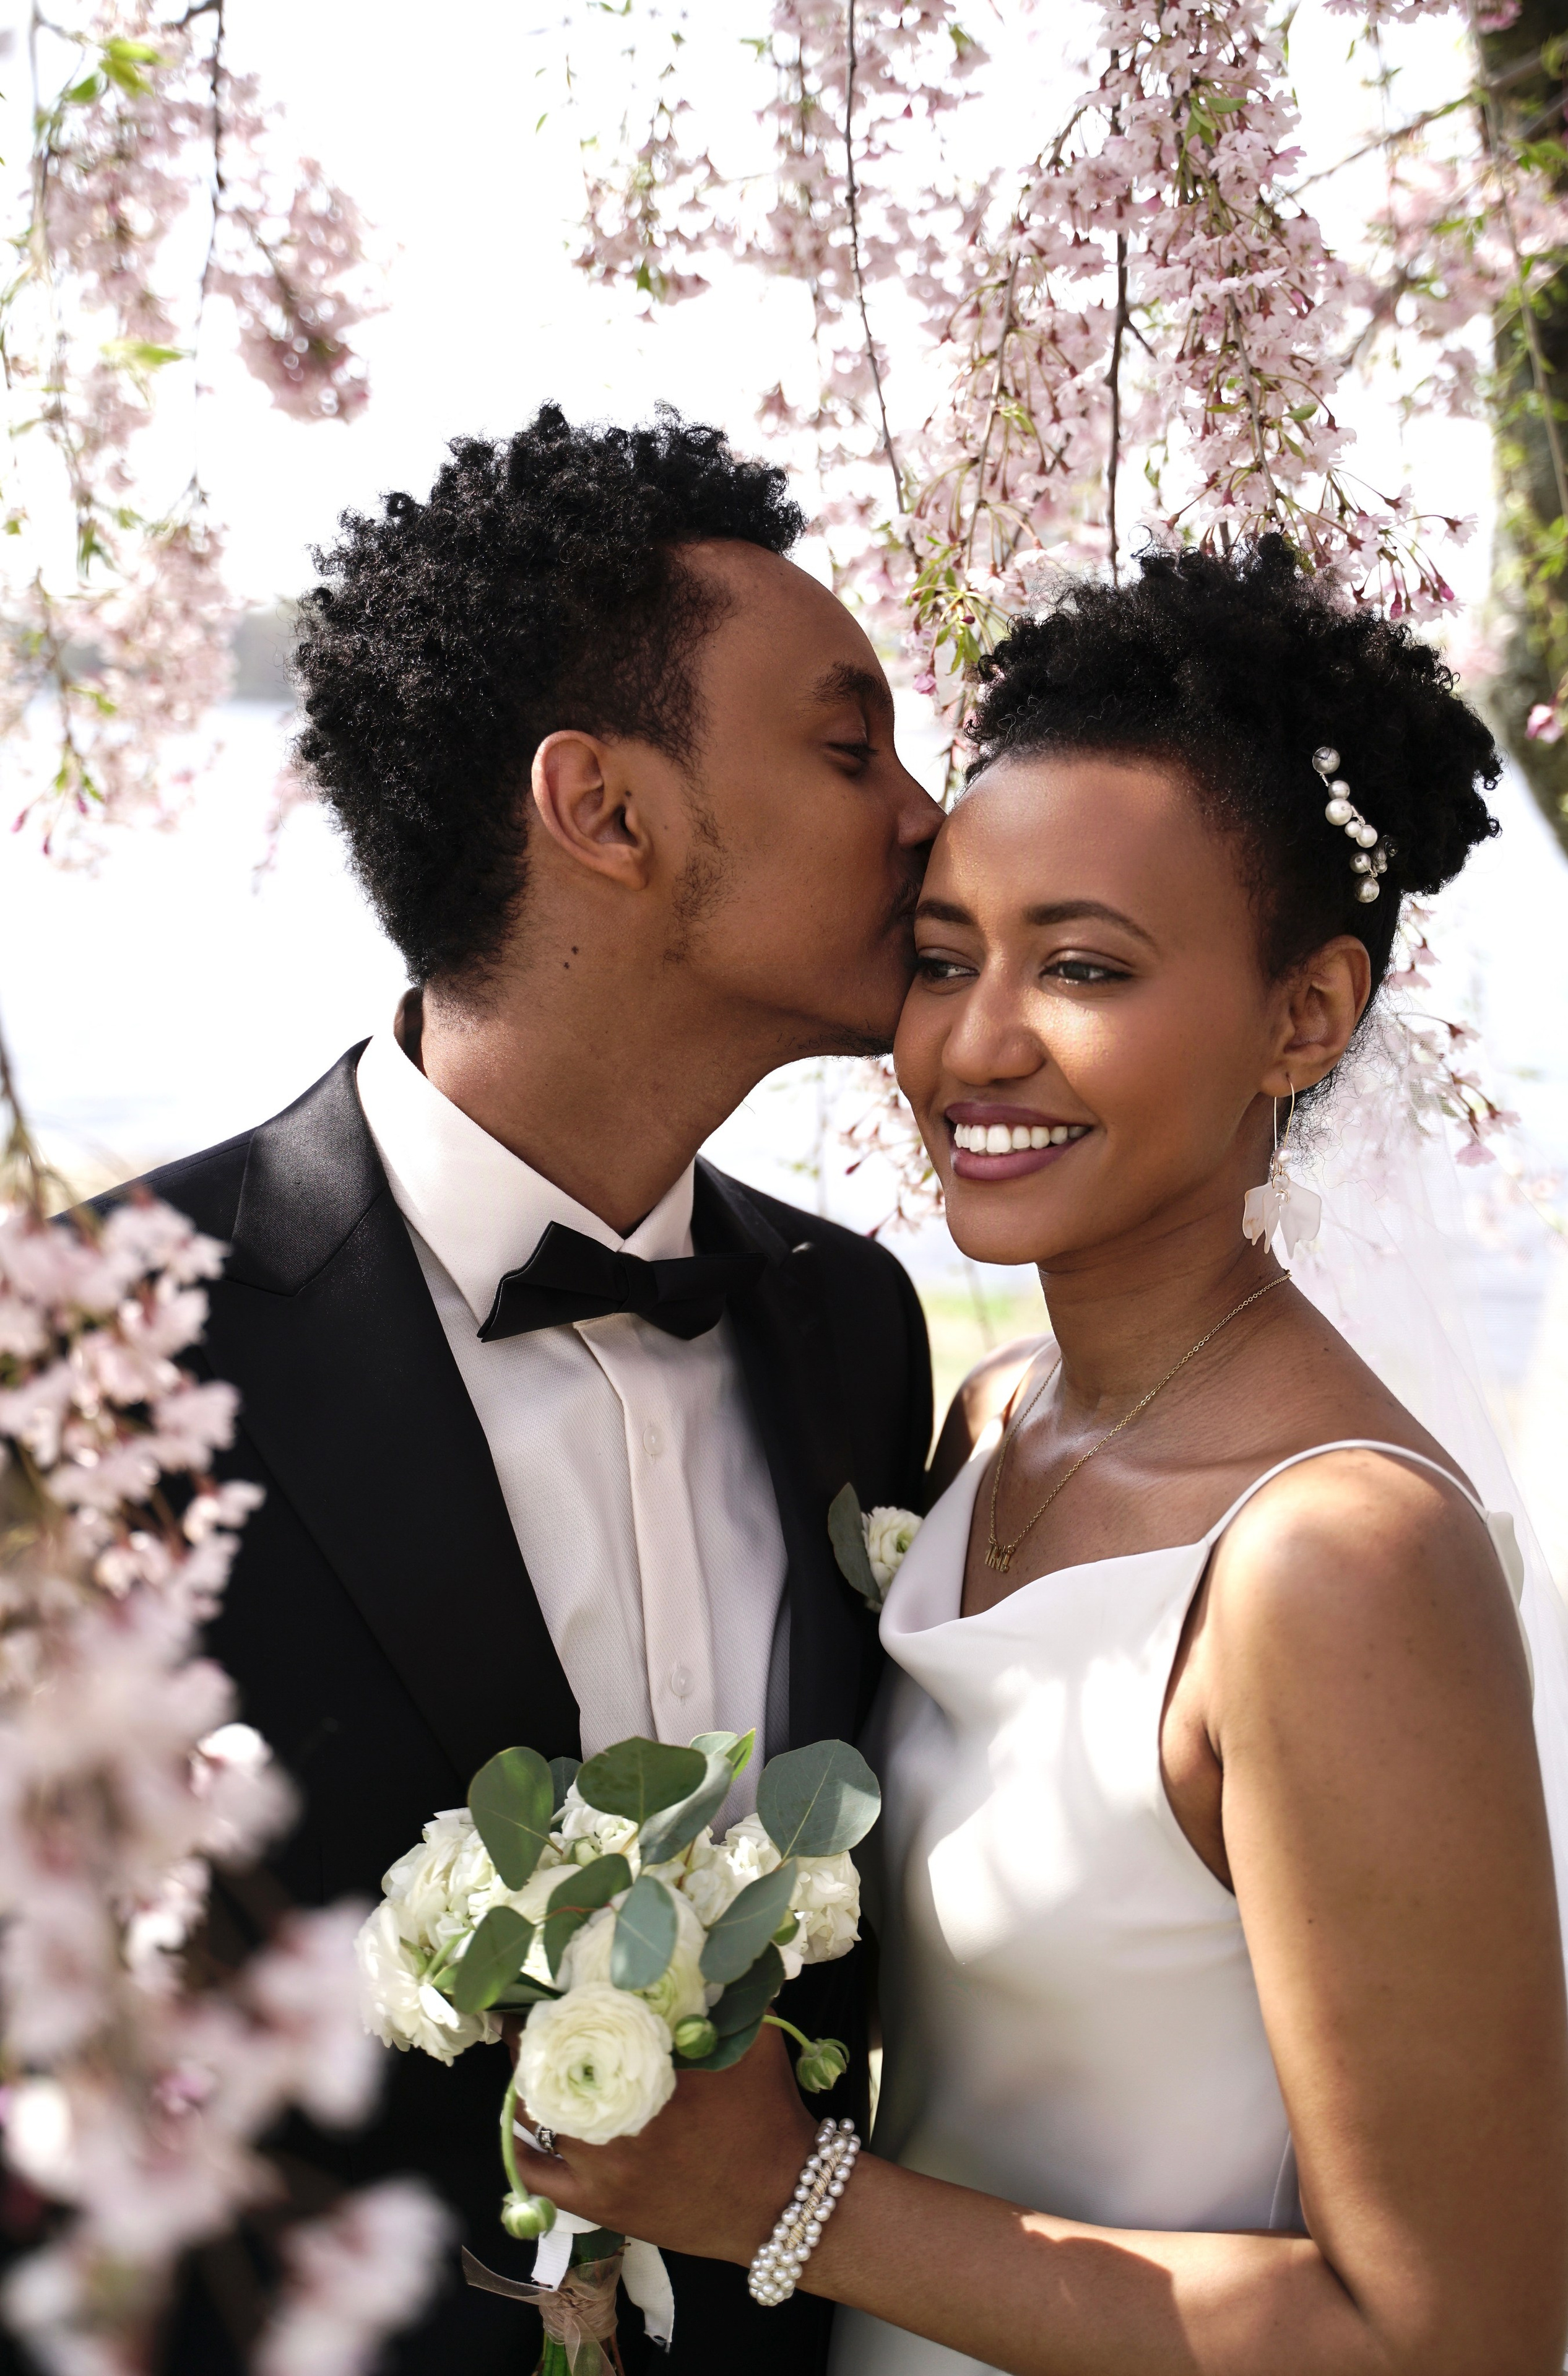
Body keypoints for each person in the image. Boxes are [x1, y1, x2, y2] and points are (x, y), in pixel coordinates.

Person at [506, 539, 1568, 2376]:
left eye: (1084, 966)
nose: (974, 1045)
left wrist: (786, 2203)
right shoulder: (990, 1424)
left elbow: (1446, 2337)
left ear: (1306, 1016)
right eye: (944, 960)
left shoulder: (1333, 1558)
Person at [101, 405, 940, 2373]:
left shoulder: (858, 1325)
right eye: (852, 751)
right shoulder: (107, 1351)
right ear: (607, 812)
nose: (927, 818)